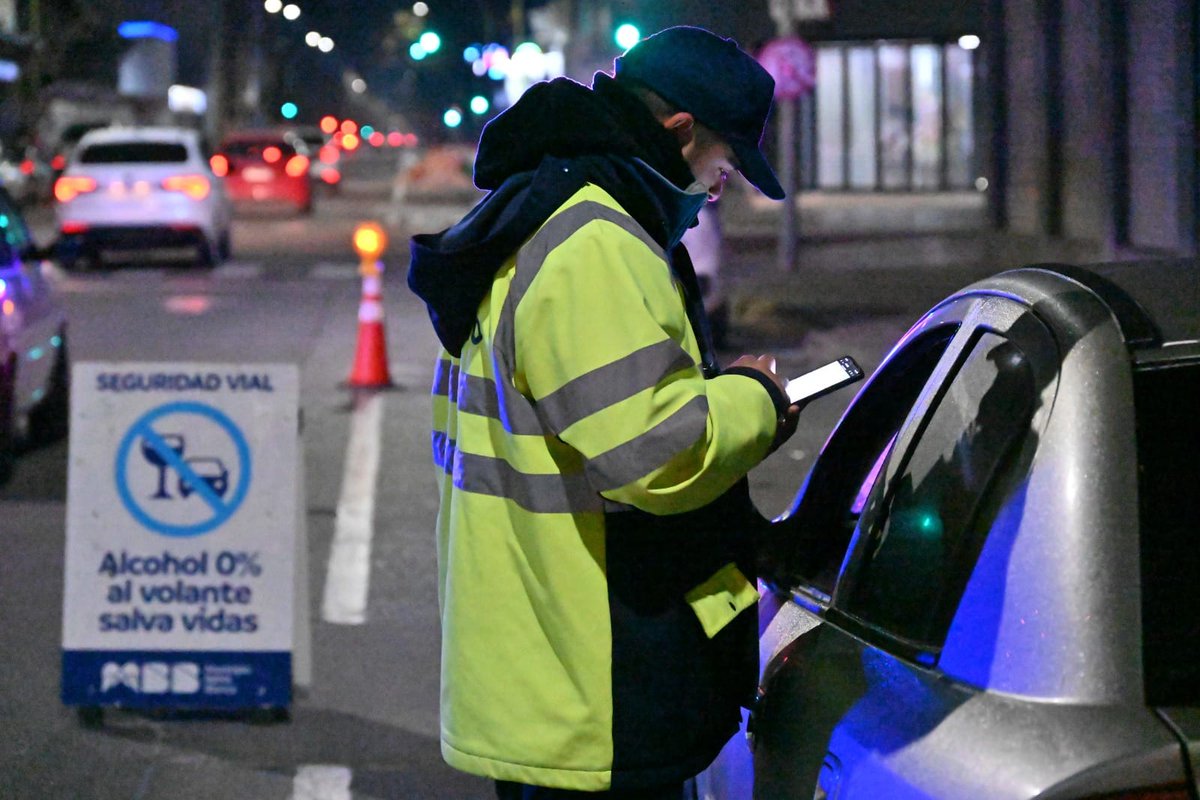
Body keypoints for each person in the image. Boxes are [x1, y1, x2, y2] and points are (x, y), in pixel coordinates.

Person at [407, 26, 798, 799]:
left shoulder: (551, 208)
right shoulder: (596, 243)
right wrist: (757, 397)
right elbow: (657, 455)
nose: (715, 194)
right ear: (679, 132)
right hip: (593, 684)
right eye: (721, 169)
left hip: (547, 670)